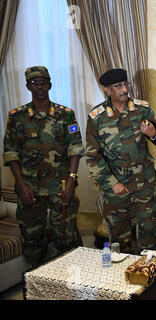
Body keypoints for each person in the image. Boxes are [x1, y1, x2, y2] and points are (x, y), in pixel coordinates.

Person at [3, 66, 84, 268]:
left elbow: (75, 147)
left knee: (66, 238)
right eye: (34, 82)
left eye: (43, 82)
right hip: (30, 188)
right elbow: (11, 152)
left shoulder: (65, 114)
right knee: (32, 240)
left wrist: (72, 180)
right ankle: (36, 282)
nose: (39, 87)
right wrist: (20, 185)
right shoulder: (17, 117)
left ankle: (68, 283)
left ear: (49, 85)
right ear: (28, 86)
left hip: (61, 186)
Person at [85, 68, 156, 254]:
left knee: (148, 230)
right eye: (118, 86)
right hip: (116, 185)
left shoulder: (142, 109)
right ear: (107, 90)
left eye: (125, 84)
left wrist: (153, 134)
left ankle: (150, 272)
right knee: (119, 235)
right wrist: (112, 184)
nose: (124, 89)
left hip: (144, 182)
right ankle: (122, 277)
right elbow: (93, 156)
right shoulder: (97, 117)